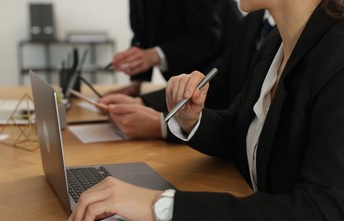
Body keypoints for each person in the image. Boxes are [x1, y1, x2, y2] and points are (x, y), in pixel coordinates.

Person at [66, 0, 344, 221]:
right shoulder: (276, 44)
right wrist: (190, 120)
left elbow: (323, 218)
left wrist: (160, 205)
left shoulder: (338, 57)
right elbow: (238, 128)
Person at [100, 10, 275, 139]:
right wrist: (141, 100)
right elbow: (218, 85)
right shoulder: (252, 22)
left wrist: (163, 126)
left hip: (207, 88)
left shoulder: (274, 35)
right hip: (202, 108)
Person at [104, 0, 242, 97]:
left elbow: (207, 37)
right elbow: (141, 33)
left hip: (219, 74)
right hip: (181, 82)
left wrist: (155, 55)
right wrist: (136, 84)